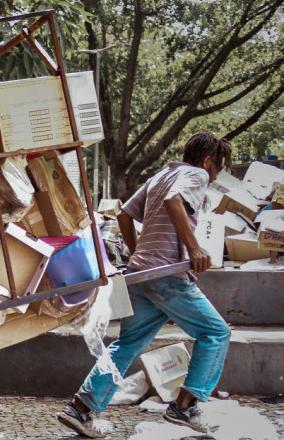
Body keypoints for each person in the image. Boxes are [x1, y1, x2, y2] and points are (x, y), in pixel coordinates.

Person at [56, 132, 233, 438]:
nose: (214, 176)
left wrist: (137, 252)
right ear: (207, 161)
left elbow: (124, 214)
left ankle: (80, 409)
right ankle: (184, 406)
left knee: (127, 344)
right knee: (216, 333)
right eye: (217, 168)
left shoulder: (162, 175)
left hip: (142, 274)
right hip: (166, 276)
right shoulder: (196, 174)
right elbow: (173, 201)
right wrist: (194, 248)